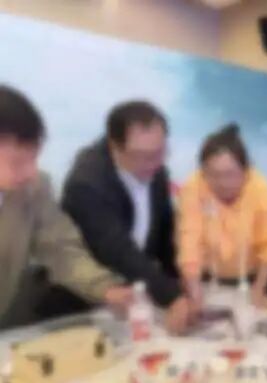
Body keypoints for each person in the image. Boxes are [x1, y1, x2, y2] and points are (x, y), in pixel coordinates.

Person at [0, 85, 131, 329]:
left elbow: (60, 249)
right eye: (17, 162)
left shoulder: (34, 188)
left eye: (34, 158)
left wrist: (106, 288)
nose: (30, 172)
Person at [62, 101, 192, 333]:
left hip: (137, 298)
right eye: (144, 156)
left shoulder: (157, 171)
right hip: (87, 304)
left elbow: (165, 234)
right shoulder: (87, 183)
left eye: (160, 152)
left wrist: (182, 281)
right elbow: (118, 250)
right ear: (115, 146)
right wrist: (171, 296)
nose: (156, 163)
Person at [177, 123, 267, 308]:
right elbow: (189, 244)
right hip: (207, 280)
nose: (222, 183)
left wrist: (259, 289)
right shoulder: (193, 188)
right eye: (213, 175)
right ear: (203, 172)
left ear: (245, 170)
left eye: (230, 174)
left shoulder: (262, 190)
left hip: (254, 280)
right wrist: (194, 291)